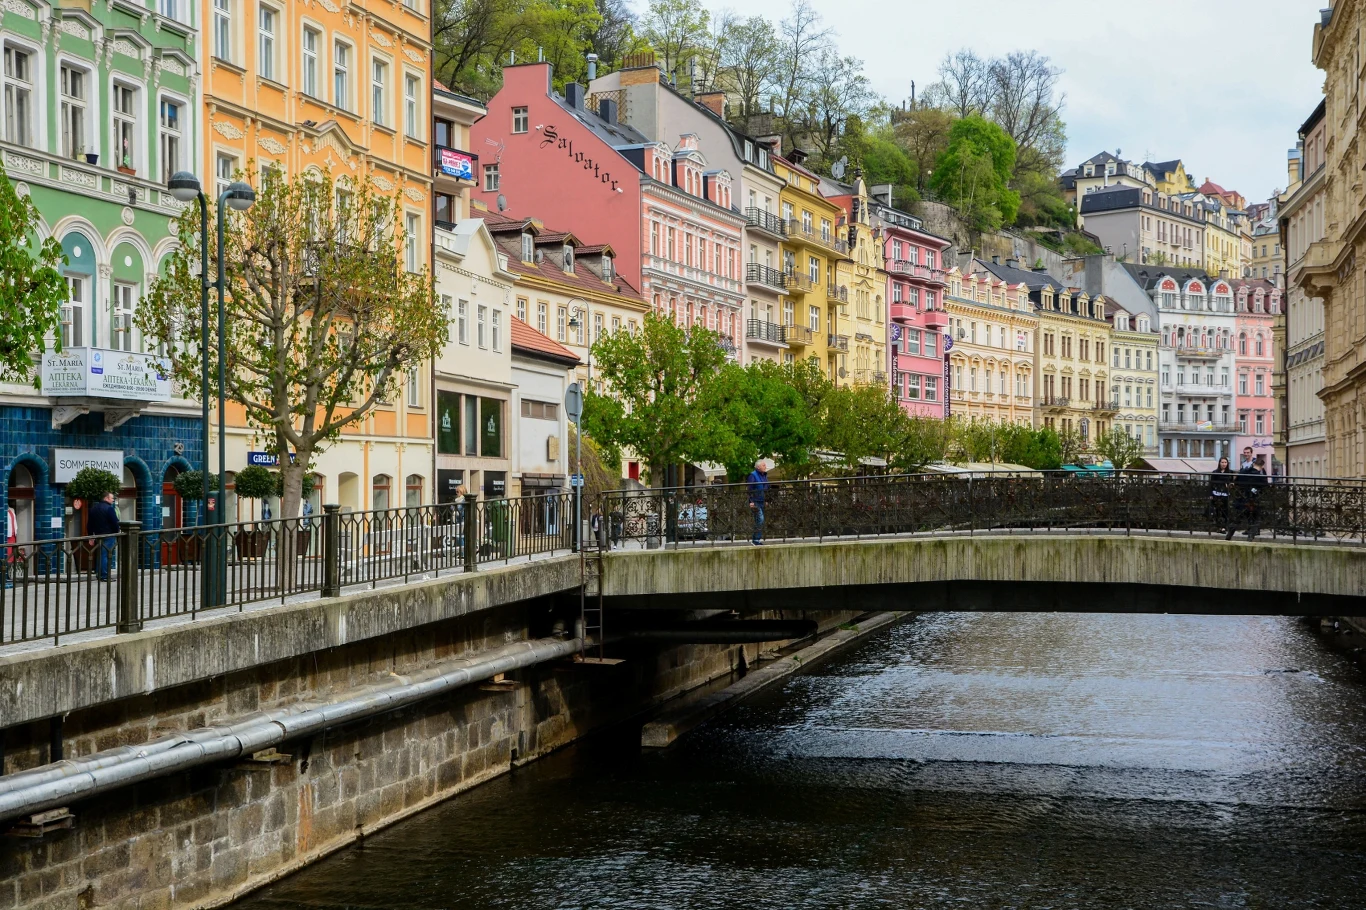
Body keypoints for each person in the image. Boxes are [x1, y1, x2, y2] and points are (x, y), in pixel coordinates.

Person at [1227, 447, 1265, 540]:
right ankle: (1250, 536)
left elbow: (1237, 482)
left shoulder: (1243, 472)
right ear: (1261, 466)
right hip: (1253, 500)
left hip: (1241, 498)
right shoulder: (1260, 476)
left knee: (1238, 518)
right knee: (1254, 517)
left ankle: (1229, 535)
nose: (1246, 454)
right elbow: (1264, 487)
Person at [87, 491, 121, 581]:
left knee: (100, 555)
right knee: (105, 555)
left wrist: (91, 535)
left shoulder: (93, 509)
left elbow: (89, 524)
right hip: (109, 534)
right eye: (112, 498)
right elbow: (115, 522)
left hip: (98, 535)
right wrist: (117, 531)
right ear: (106, 498)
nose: (113, 500)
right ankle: (104, 575)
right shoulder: (109, 509)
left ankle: (99, 573)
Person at [1208, 456, 1235, 532]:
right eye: (1222, 462)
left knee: (1225, 510)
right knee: (1217, 510)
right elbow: (1211, 483)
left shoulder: (1230, 472)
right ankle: (1219, 526)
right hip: (1216, 493)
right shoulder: (1215, 472)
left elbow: (1232, 482)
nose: (1224, 464)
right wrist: (1210, 494)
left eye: (1225, 462)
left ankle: (1225, 526)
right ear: (1219, 463)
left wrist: (1230, 485)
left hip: (1225, 493)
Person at [746, 459, 769, 546]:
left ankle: (756, 539)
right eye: (763, 465)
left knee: (759, 520)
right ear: (758, 467)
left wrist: (766, 500)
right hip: (755, 501)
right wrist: (750, 501)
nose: (765, 467)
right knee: (760, 519)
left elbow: (766, 489)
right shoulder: (753, 475)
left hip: (762, 501)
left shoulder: (764, 476)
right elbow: (749, 489)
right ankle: (755, 540)